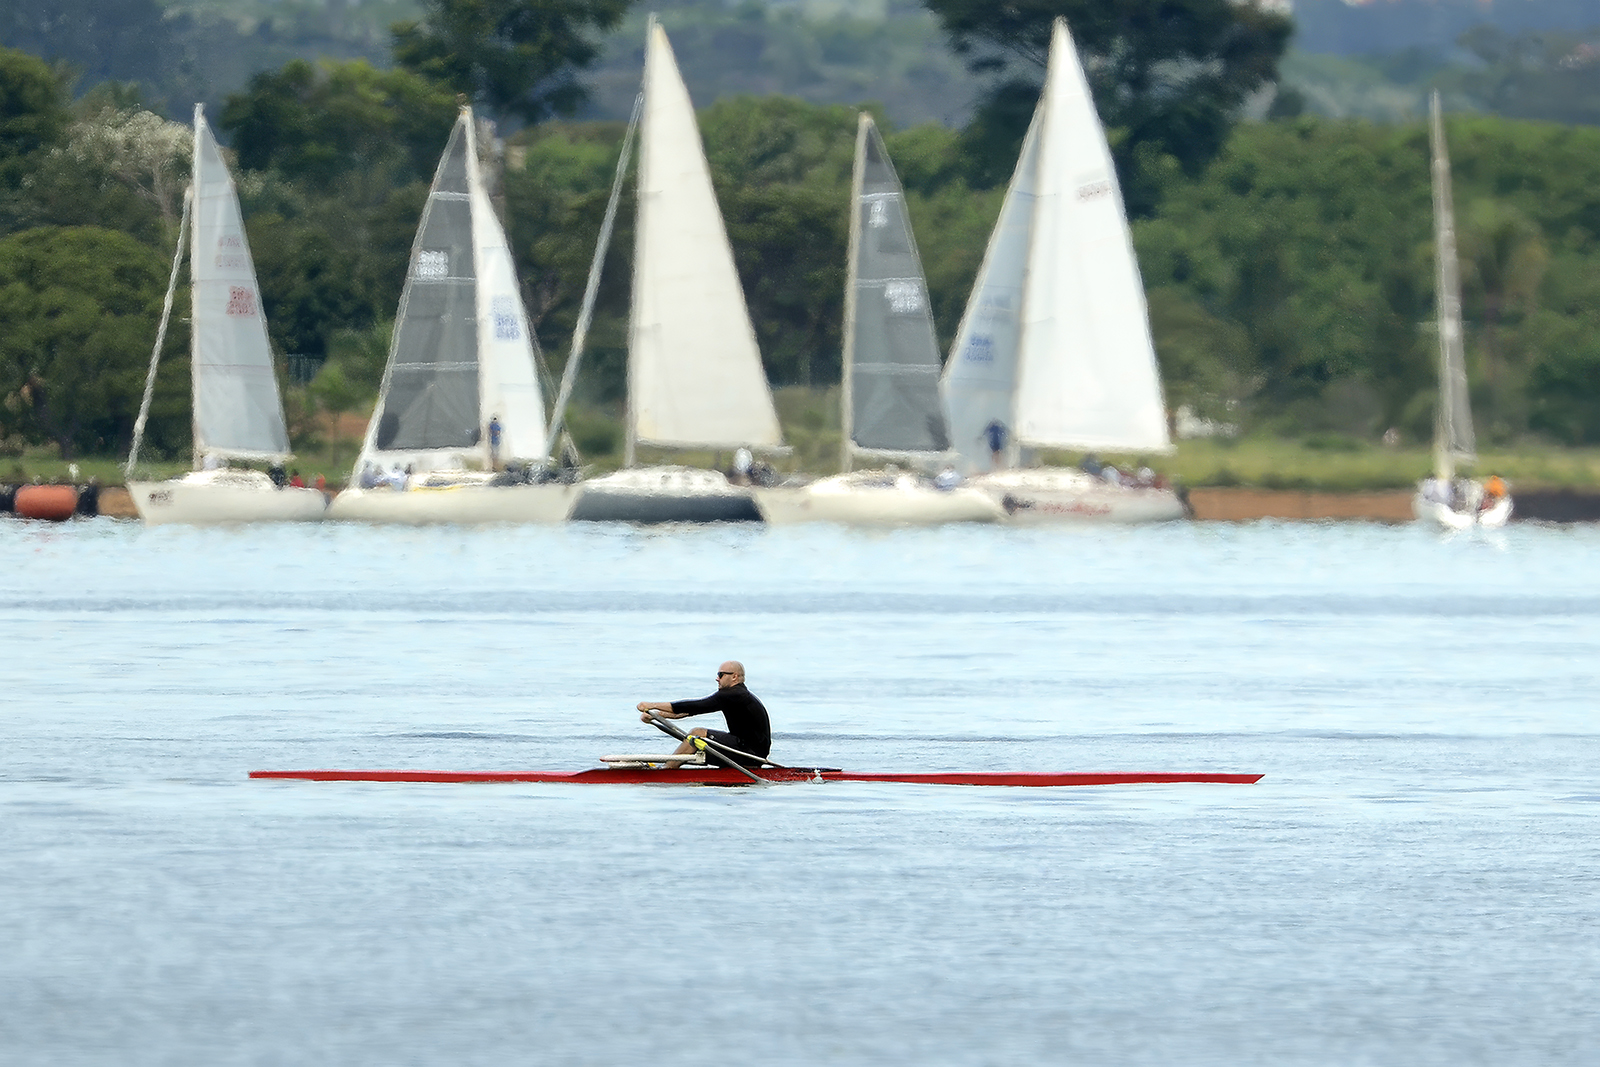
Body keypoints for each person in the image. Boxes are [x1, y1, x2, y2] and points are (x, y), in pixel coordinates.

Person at [637, 661, 771, 766]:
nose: (717, 679)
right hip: (745, 749)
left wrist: (651, 705)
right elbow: (690, 711)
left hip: (750, 753)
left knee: (697, 733)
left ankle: (667, 770)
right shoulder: (735, 696)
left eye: (720, 675)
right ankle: (670, 769)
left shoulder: (734, 695)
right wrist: (657, 715)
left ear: (734, 677)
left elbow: (696, 705)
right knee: (696, 742)